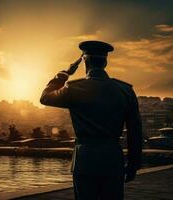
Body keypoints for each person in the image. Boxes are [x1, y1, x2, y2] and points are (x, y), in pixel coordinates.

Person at [40, 41, 143, 200]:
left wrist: (64, 74)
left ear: (85, 62)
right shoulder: (125, 90)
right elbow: (135, 132)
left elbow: (45, 97)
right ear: (105, 62)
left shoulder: (74, 88)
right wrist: (133, 165)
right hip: (113, 160)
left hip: (85, 161)